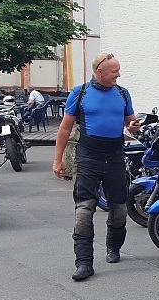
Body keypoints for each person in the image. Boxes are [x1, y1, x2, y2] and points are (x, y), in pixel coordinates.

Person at [53, 53, 140, 282]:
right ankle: (84, 263)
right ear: (99, 72)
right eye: (114, 71)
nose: (119, 75)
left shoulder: (123, 93)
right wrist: (58, 160)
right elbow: (64, 128)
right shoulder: (80, 93)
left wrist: (134, 126)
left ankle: (113, 247)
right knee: (84, 209)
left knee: (119, 208)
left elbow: (130, 123)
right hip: (88, 157)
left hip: (115, 156)